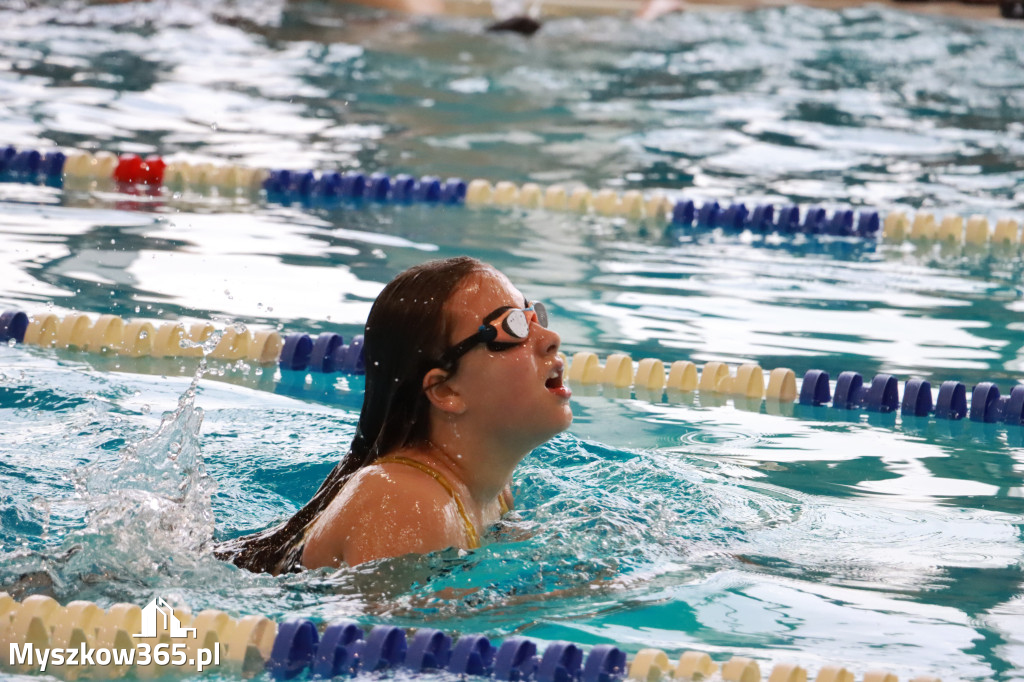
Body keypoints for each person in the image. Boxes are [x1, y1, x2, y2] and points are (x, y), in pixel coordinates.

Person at [215, 256, 572, 573]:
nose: (549, 337)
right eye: (513, 327)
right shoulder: (407, 502)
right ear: (445, 390)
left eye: (534, 316)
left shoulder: (491, 491)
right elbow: (379, 642)